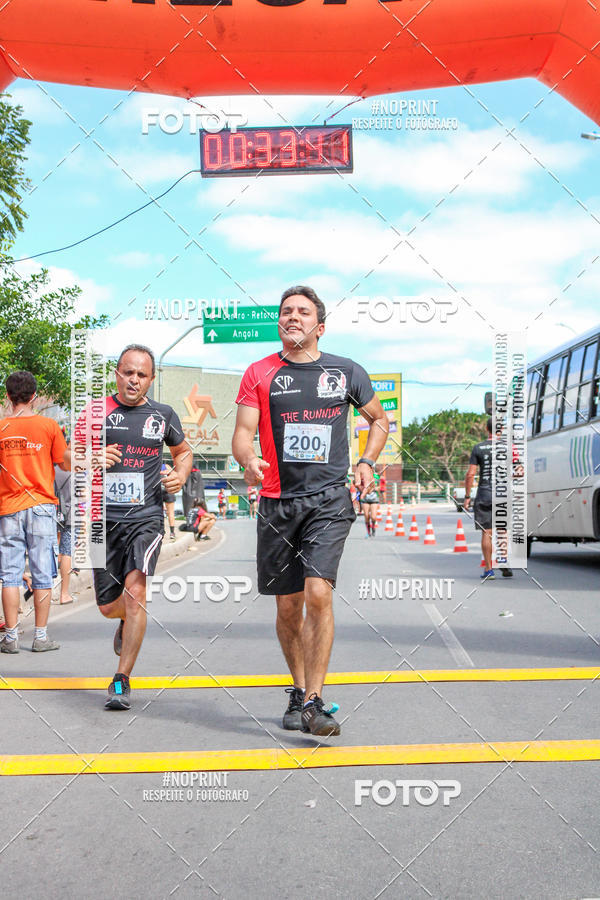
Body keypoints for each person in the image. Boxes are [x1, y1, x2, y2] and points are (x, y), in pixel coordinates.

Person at [232, 285, 389, 737]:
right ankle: (298, 691)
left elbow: (379, 419)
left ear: (320, 325)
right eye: (286, 312)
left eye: (302, 312)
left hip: (328, 500)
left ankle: (316, 701)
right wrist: (249, 459)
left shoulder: (345, 372)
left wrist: (366, 462)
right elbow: (243, 434)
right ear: (279, 323)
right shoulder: (259, 373)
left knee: (319, 592)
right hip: (278, 502)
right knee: (288, 607)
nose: (292, 317)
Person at [74, 345, 192, 710]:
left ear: (151, 380)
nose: (134, 380)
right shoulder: (94, 412)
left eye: (141, 375)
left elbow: (183, 451)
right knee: (110, 607)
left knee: (136, 593)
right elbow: (66, 456)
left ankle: (122, 679)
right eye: (128, 372)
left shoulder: (163, 414)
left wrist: (180, 474)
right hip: (100, 521)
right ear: (117, 373)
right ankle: (123, 621)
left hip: (146, 517)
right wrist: (91, 458)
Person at [0, 371, 71, 652]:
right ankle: (40, 637)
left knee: (10, 575)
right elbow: (64, 464)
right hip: (42, 506)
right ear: (33, 396)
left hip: (8, 508)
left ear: (8, 396)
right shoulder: (49, 426)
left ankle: (11, 637)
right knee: (42, 574)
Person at [464, 417, 513, 579]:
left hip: (484, 493)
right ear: (501, 430)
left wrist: (466, 497)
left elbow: (470, 474)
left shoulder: (478, 448)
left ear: (487, 429)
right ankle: (504, 559)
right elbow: (519, 472)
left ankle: (488, 569)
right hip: (502, 494)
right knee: (502, 529)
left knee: (487, 531)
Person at [54, 464, 75, 604]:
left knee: (46, 551)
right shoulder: (72, 468)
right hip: (69, 513)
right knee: (66, 552)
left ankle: (44, 593)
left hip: (49, 511)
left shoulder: (48, 467)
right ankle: (64, 594)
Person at [161, 463, 177, 541]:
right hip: (168, 490)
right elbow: (173, 476)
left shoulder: (151, 464)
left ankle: (160, 532)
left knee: (158, 513)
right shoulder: (166, 466)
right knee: (171, 513)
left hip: (157, 491)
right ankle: (172, 533)